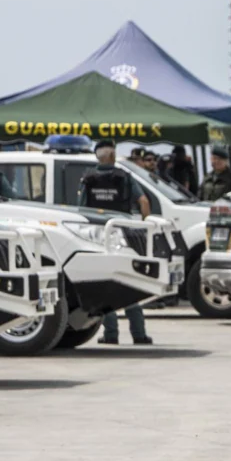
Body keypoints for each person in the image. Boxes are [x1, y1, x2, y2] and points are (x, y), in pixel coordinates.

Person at [77, 139, 153, 346]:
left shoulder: (89, 179)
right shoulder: (125, 178)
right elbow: (144, 202)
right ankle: (139, 334)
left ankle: (111, 334)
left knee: (104, 284)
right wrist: (144, 225)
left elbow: (81, 210)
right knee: (129, 282)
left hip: (98, 236)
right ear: (112, 156)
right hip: (123, 235)